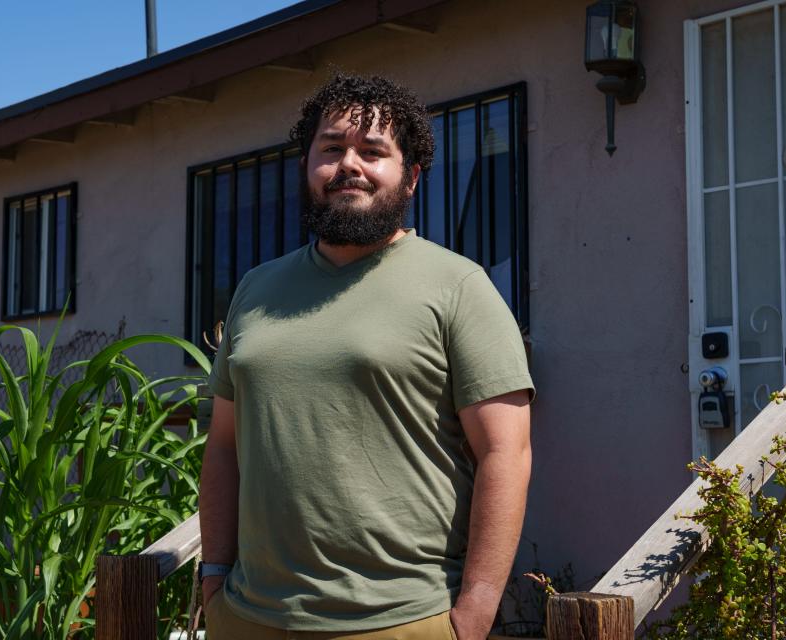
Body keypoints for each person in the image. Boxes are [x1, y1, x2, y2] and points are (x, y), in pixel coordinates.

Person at [198, 73, 534, 640]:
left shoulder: (457, 286)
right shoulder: (255, 288)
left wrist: (475, 610)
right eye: (331, 149)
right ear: (307, 168)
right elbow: (225, 443)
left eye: (374, 151)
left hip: (402, 619)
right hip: (251, 616)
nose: (349, 164)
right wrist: (214, 579)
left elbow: (506, 452)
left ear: (411, 178)